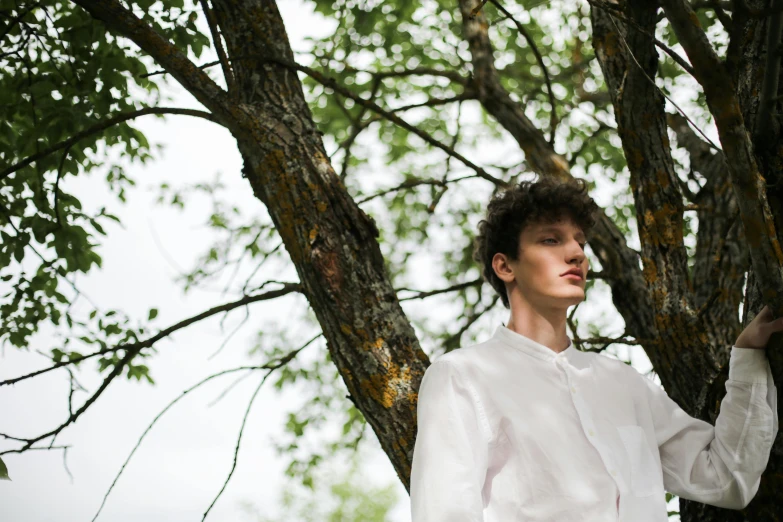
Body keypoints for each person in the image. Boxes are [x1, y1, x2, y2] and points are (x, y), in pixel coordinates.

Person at [409, 177, 780, 522]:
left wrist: (747, 356)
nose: (576, 254)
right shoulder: (462, 376)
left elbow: (725, 478)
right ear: (505, 266)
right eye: (551, 240)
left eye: (580, 242)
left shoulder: (622, 382)